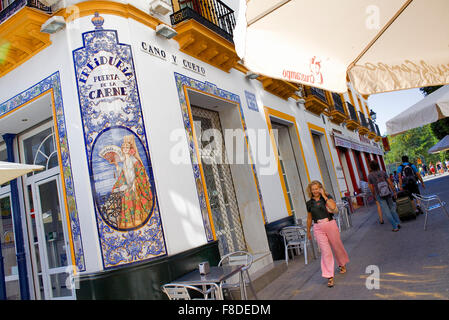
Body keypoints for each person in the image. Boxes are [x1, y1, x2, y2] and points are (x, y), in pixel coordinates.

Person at [306, 181, 349, 288]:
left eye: (317, 188)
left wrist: (324, 195)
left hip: (330, 223)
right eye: (313, 189)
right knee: (326, 252)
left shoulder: (327, 196)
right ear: (310, 190)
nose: (315, 191)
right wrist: (308, 231)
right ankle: (329, 276)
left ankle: (342, 263)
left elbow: (333, 206)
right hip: (318, 227)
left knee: (337, 246)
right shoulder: (309, 203)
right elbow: (309, 217)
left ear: (320, 188)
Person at [112, 135, 154, 229]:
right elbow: (123, 175)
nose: (125, 149)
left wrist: (135, 182)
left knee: (130, 195)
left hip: (136, 187)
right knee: (125, 195)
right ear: (122, 149)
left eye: (127, 147)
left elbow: (141, 174)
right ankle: (129, 223)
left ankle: (137, 220)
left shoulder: (134, 160)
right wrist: (116, 166)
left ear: (131, 149)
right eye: (124, 147)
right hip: (129, 186)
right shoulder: (124, 161)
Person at [368, 160, 401, 232]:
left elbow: (371, 187)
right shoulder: (383, 172)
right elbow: (389, 182)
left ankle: (395, 227)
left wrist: (374, 195)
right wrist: (394, 191)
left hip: (379, 194)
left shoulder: (370, 175)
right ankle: (398, 222)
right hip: (388, 193)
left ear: (371, 167)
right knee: (392, 208)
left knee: (387, 211)